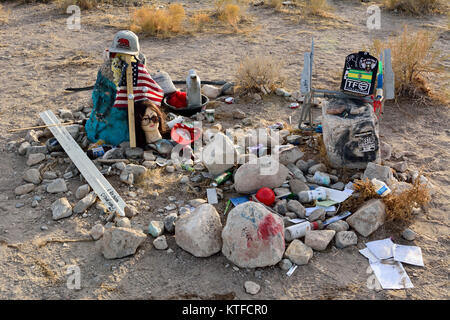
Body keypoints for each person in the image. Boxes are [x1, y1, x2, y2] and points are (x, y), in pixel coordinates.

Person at [85, 30, 164, 146]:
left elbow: (95, 101)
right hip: (118, 129)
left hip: (107, 125)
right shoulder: (116, 71)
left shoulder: (108, 69)